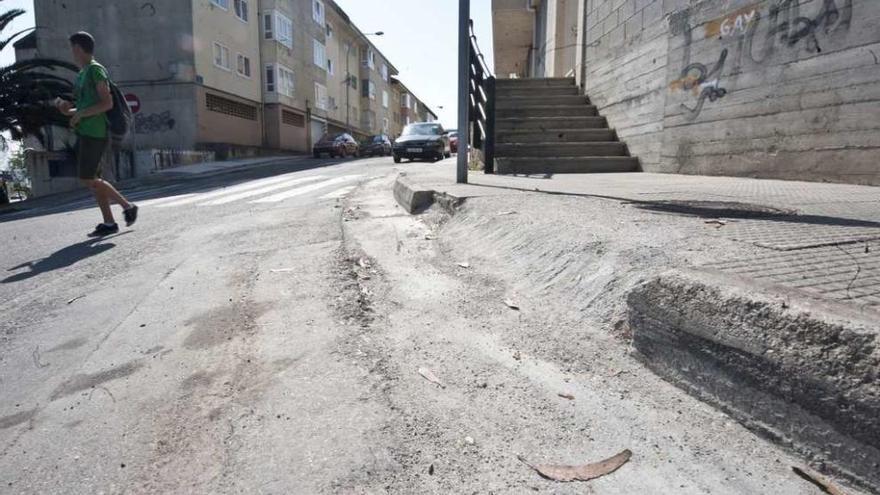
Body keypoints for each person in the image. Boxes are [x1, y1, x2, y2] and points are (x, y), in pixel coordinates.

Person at [55, 31, 137, 237]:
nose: (71, 53)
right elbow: (86, 107)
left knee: (87, 178)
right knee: (93, 181)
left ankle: (127, 206)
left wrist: (80, 113)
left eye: (72, 48)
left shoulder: (96, 70)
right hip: (85, 132)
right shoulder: (82, 74)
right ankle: (109, 223)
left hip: (96, 133)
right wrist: (68, 110)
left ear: (78, 48)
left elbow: (106, 103)